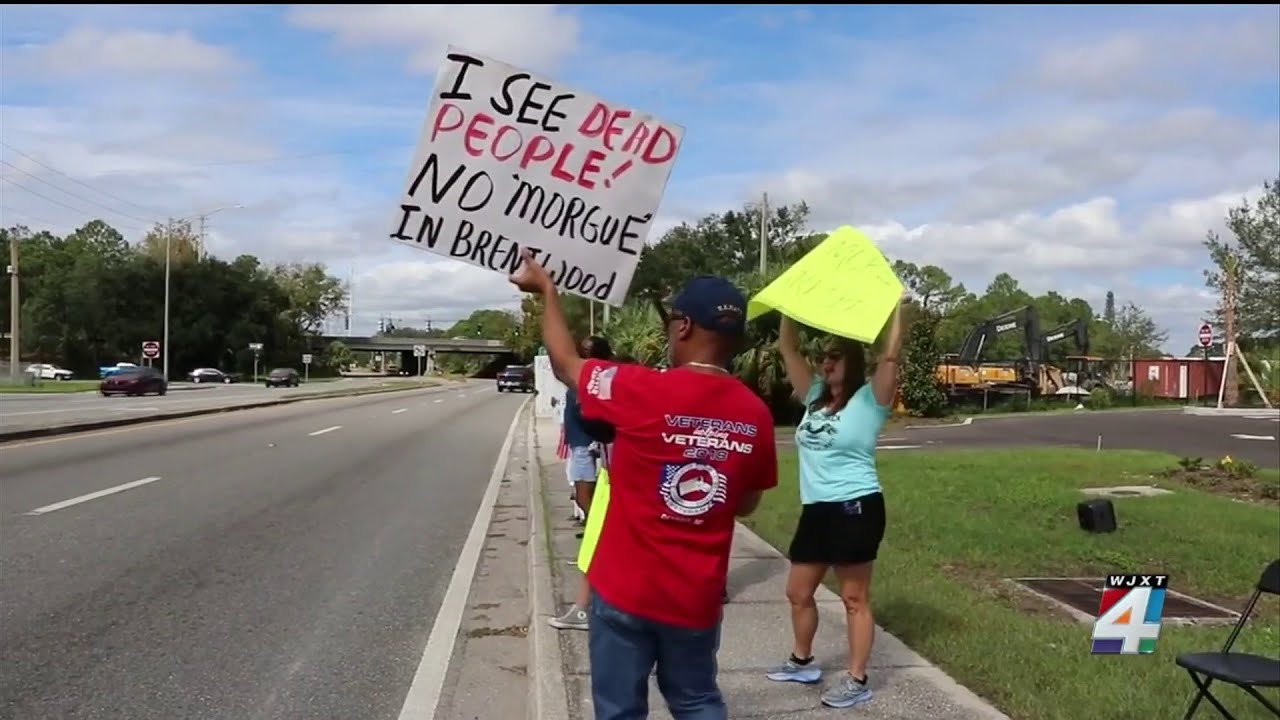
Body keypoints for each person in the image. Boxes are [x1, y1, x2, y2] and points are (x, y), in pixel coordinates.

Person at [511, 251, 777, 720]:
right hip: (694, 598)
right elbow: (746, 504)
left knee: (619, 709)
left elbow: (566, 365)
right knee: (696, 701)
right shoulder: (755, 414)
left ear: (683, 328)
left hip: (625, 591)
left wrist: (548, 291)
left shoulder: (638, 389)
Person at [764, 296, 909, 710]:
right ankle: (803, 660)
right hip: (817, 510)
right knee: (797, 591)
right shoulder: (812, 396)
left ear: (852, 360)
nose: (826, 364)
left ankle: (857, 678)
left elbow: (891, 355)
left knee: (853, 598)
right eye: (824, 357)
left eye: (835, 357)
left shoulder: (870, 401)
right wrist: (787, 304)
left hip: (855, 508)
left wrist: (896, 309)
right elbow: (787, 348)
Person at [550, 335, 616, 631]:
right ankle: (583, 605)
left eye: (588, 352)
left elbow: (593, 413)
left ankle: (584, 607)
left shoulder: (595, 382)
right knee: (587, 505)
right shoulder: (593, 378)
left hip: (592, 450)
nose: (582, 355)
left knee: (593, 513)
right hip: (597, 454)